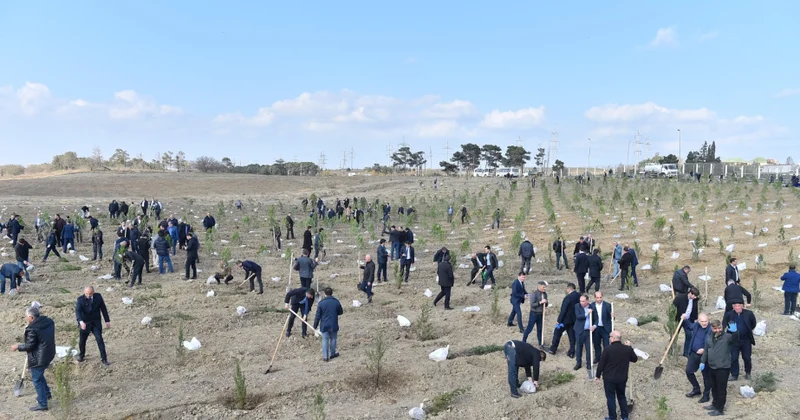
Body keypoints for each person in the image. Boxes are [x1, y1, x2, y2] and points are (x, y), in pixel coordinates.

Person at [11, 306, 55, 412]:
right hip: (49, 353)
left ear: (31, 317)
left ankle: (42, 404)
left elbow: (29, 346)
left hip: (38, 357)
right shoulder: (49, 322)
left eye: (26, 317)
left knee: (36, 379)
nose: (26, 318)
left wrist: (18, 346)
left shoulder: (32, 329)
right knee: (39, 375)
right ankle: (47, 394)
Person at [594, 331, 638, 420]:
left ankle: (612, 417)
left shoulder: (608, 349)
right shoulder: (627, 349)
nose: (609, 338)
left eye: (610, 336)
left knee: (610, 398)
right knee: (621, 396)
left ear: (613, 338)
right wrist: (630, 347)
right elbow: (634, 359)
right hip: (622, 378)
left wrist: (597, 376)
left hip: (609, 378)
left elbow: (601, 364)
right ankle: (625, 417)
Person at [700, 319, 739, 416]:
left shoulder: (727, 337)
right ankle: (714, 404)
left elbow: (735, 339)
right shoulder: (709, 337)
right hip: (712, 367)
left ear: (722, 327)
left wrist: (735, 332)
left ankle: (719, 409)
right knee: (714, 387)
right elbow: (706, 350)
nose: (717, 330)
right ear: (711, 328)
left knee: (721, 389)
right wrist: (702, 361)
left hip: (723, 367)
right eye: (715, 328)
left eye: (719, 328)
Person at [75, 286, 111, 365]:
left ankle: (104, 359)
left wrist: (107, 320)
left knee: (99, 339)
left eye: (90, 294)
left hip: (95, 322)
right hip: (85, 322)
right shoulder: (80, 300)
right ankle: (81, 355)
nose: (88, 295)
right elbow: (77, 311)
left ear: (93, 293)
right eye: (87, 293)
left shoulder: (98, 297)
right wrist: (81, 322)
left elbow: (103, 308)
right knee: (82, 340)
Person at [722, 300, 757, 381]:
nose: (737, 307)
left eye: (739, 305)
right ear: (733, 307)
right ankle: (734, 374)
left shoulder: (749, 314)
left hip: (746, 340)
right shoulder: (729, 314)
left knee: (747, 357)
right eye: (736, 306)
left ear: (742, 306)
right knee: (733, 358)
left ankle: (748, 373)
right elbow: (724, 324)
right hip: (734, 340)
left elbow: (753, 323)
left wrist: (746, 330)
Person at [684, 313, 712, 403]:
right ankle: (696, 389)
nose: (704, 323)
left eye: (706, 321)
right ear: (698, 321)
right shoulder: (696, 325)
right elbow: (690, 326)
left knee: (706, 376)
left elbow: (714, 342)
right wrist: (684, 319)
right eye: (702, 321)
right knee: (689, 371)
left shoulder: (711, 329)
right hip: (693, 354)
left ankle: (706, 395)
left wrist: (704, 349)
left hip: (705, 356)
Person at [547, 282, 580, 357]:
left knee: (557, 332)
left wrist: (559, 320)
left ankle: (553, 349)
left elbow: (563, 310)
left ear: (568, 288)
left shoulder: (568, 297)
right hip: (573, 320)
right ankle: (572, 352)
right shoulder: (579, 296)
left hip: (565, 320)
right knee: (572, 336)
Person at [314, 287, 343, 362]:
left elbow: (318, 316)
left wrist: (315, 325)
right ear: (332, 293)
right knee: (333, 339)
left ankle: (325, 357)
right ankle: (332, 354)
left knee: (325, 340)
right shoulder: (336, 302)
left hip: (324, 324)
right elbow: (341, 312)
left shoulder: (321, 303)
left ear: (324, 294)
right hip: (333, 324)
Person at [673, 287, 700, 357]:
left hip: (688, 320)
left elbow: (695, 310)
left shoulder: (694, 300)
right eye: (694, 295)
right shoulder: (680, 298)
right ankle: (671, 350)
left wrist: (695, 319)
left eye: (696, 296)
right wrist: (679, 315)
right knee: (674, 335)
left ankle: (686, 353)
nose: (695, 297)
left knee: (689, 335)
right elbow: (673, 309)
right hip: (678, 319)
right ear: (690, 293)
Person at [590, 291, 613, 363]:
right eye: (597, 298)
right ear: (595, 298)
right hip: (596, 328)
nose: (599, 299)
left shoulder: (607, 305)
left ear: (602, 297)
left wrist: (613, 316)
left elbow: (611, 318)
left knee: (606, 345)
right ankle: (598, 357)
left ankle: (606, 359)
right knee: (596, 344)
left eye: (600, 297)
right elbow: (591, 318)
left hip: (605, 328)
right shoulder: (592, 305)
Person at [523, 281, 548, 345]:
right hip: (534, 314)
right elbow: (532, 305)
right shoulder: (534, 294)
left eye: (545, 287)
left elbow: (546, 304)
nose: (545, 288)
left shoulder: (545, 294)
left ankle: (540, 343)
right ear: (539, 286)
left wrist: (546, 302)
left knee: (540, 329)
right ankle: (524, 340)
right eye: (543, 287)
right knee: (529, 328)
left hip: (541, 314)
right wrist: (540, 302)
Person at [573, 294, 593, 373]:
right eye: (580, 301)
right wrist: (587, 313)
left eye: (583, 301)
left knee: (588, 348)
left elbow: (595, 318)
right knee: (579, 347)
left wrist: (594, 326)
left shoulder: (592, 306)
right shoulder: (577, 306)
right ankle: (578, 363)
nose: (581, 302)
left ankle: (589, 363)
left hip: (588, 331)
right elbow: (578, 316)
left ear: (587, 301)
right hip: (579, 330)